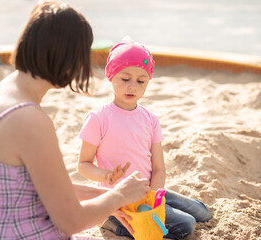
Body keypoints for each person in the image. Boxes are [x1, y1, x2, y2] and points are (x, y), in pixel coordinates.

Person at [0, 2, 150, 239]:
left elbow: (34, 188)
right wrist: (118, 196)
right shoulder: (30, 120)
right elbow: (71, 221)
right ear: (68, 56)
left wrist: (105, 196)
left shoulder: (5, 91)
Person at [78, 37, 212, 239]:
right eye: (125, 79)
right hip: (121, 200)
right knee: (187, 224)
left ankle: (149, 212)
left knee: (203, 212)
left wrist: (154, 198)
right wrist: (106, 176)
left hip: (149, 192)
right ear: (110, 75)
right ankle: (114, 225)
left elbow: (158, 167)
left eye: (141, 81)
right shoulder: (98, 118)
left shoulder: (150, 119)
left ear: (148, 81)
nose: (132, 86)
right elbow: (83, 165)